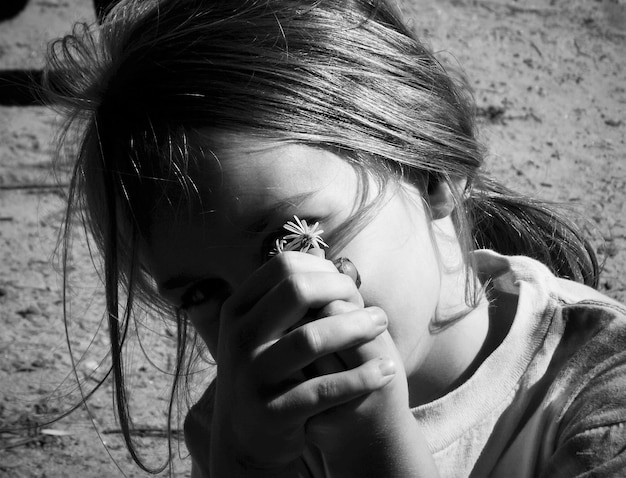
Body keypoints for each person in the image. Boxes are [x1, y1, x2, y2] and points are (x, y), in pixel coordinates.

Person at [45, 0, 626, 476]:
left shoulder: (600, 398)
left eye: (294, 241)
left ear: (431, 178)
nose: (269, 315)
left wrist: (373, 455)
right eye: (201, 293)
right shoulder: (242, 426)